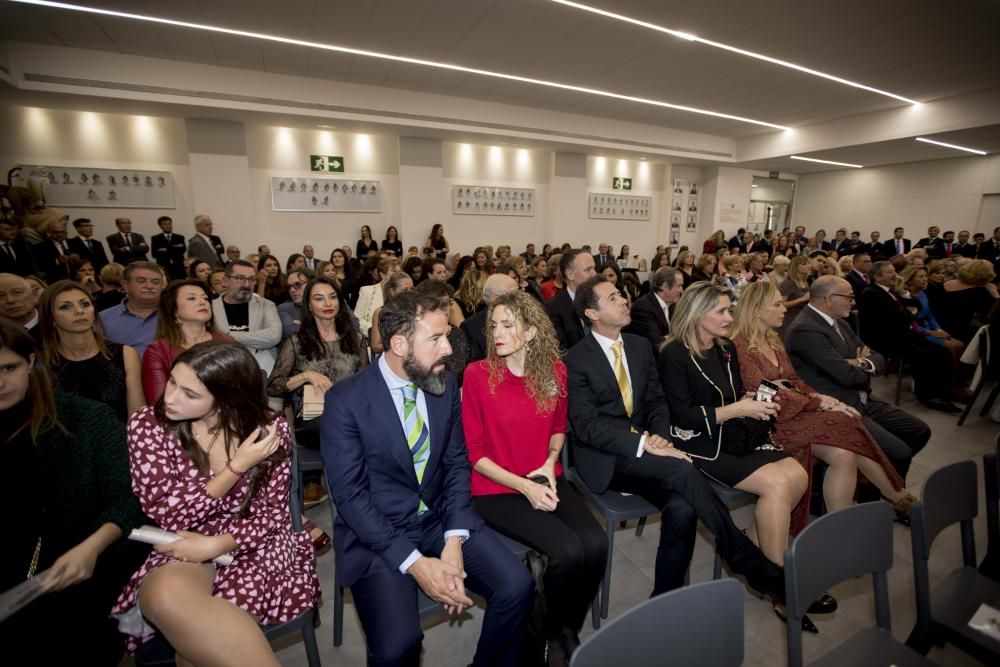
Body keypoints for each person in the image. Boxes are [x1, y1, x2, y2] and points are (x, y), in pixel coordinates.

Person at [322, 290, 533, 666]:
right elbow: (352, 499)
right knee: (397, 646)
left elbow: (455, 463)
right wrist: (416, 563)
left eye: (447, 335)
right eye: (436, 338)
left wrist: (454, 539)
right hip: (379, 534)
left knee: (517, 586)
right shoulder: (346, 402)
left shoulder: (444, 384)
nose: (449, 348)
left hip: (438, 518)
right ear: (400, 344)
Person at [564, 276, 786, 605]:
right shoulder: (574, 360)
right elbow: (586, 426)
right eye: (613, 298)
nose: (624, 300)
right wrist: (644, 443)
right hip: (608, 457)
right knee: (684, 471)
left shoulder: (639, 346)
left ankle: (664, 600)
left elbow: (657, 402)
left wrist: (661, 437)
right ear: (591, 313)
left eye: (621, 295)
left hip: (652, 450)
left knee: (682, 508)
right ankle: (749, 564)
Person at [110, 341, 319, 661]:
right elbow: (168, 514)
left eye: (190, 394)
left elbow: (273, 513)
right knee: (163, 597)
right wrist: (235, 468)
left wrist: (218, 544)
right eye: (172, 382)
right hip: (185, 534)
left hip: (257, 538)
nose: (170, 398)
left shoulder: (268, 427)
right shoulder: (148, 425)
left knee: (201, 643)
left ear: (227, 398)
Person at [463, 291, 605, 664]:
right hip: (496, 488)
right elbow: (474, 454)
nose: (496, 332)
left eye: (507, 325)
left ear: (530, 331)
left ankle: (560, 627)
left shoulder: (555, 371)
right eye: (493, 324)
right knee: (568, 551)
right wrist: (524, 485)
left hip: (545, 476)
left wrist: (548, 463)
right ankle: (546, 635)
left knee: (596, 544)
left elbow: (559, 428)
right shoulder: (477, 375)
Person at [0, 319, 149, 665]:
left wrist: (91, 547)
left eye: (9, 368)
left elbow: (127, 499)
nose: (0, 382)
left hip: (90, 554)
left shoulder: (85, 418)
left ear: (31, 362)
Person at [731, 281, 916, 524]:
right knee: (847, 422)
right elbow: (764, 391)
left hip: (793, 412)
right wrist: (816, 403)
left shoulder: (774, 340)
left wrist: (823, 398)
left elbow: (793, 380)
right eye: (777, 304)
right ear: (756, 310)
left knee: (845, 449)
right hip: (768, 424)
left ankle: (838, 524)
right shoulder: (739, 345)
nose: (785, 308)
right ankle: (896, 494)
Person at [784, 276, 930, 484]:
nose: (853, 302)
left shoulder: (840, 323)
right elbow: (847, 375)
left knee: (919, 431)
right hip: (841, 404)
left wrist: (859, 362)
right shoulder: (806, 329)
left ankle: (874, 481)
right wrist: (859, 362)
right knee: (900, 453)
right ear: (829, 298)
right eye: (849, 297)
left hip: (861, 398)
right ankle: (891, 495)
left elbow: (877, 357)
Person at [267, 277, 368, 447]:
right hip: (312, 421)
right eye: (319, 298)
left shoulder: (356, 340)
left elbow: (367, 383)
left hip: (350, 415)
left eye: (333, 296)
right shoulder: (296, 342)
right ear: (309, 306)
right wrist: (305, 376)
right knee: (342, 427)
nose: (328, 303)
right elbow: (273, 386)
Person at [858, 261, 959, 413]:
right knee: (926, 354)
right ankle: (928, 396)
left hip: (902, 334)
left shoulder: (891, 291)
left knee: (943, 352)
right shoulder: (871, 293)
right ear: (878, 277)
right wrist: (910, 313)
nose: (896, 275)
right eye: (890, 272)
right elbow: (900, 318)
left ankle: (943, 392)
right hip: (886, 339)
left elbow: (916, 308)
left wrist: (903, 293)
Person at [39, 280, 144, 423]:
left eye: (85, 304)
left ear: (94, 312)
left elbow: (137, 416)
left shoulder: (125, 354)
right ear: (51, 318)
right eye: (65, 307)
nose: (79, 311)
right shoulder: (41, 364)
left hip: (122, 440)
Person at [141, 279, 233, 403]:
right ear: (174, 310)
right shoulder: (158, 351)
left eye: (205, 299)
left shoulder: (227, 342)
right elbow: (159, 404)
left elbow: (245, 390)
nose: (202, 302)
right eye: (191, 298)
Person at [211, 259, 283, 374]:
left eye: (252, 279)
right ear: (225, 280)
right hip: (221, 369)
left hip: (260, 370)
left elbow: (274, 336)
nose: (247, 285)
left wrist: (228, 336)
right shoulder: (211, 308)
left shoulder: (266, 305)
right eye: (240, 278)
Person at [99, 261, 163, 357]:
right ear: (125, 285)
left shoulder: (174, 314)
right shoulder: (103, 319)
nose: (150, 286)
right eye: (141, 281)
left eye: (156, 282)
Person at [934, 259, 998, 343]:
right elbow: (992, 314)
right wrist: (996, 295)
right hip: (964, 332)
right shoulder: (982, 291)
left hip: (939, 326)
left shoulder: (947, 283)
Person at [545, 249, 597, 351]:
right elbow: (561, 350)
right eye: (588, 270)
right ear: (570, 274)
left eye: (594, 268)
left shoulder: (600, 300)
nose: (594, 274)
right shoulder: (553, 308)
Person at [462, 273, 518, 362]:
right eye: (513, 294)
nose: (520, 298)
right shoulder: (471, 327)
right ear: (494, 298)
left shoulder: (523, 315)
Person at [626, 267, 683, 350]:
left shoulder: (672, 305)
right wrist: (676, 336)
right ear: (665, 286)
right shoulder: (643, 307)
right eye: (679, 286)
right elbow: (657, 343)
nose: (681, 290)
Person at [369, 271, 414, 355]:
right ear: (392, 291)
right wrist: (400, 343)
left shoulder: (418, 310)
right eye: (405, 290)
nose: (410, 293)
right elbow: (375, 347)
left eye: (412, 289)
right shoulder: (380, 312)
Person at [354, 256, 401, 334]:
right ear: (382, 274)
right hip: (370, 337)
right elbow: (357, 319)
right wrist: (375, 330)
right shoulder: (367, 291)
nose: (398, 275)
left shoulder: (402, 292)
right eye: (394, 271)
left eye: (400, 272)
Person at [277, 268, 313, 339]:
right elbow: (289, 331)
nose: (292, 290)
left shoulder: (324, 305)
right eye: (289, 286)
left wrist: (301, 324)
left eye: (297, 284)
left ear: (312, 284)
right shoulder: (284, 308)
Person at [779, 255, 812, 330]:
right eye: (804, 264)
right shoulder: (788, 283)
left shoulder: (805, 282)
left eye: (809, 263)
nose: (808, 266)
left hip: (802, 319)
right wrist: (802, 299)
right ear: (795, 267)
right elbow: (781, 304)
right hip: (790, 321)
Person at [150, 215, 187, 280]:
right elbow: (154, 254)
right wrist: (175, 247)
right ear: (160, 226)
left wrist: (165, 249)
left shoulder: (179, 237)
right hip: (164, 267)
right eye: (165, 224)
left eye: (169, 224)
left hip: (178, 267)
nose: (168, 226)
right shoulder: (155, 238)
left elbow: (182, 250)